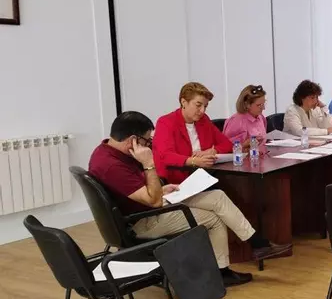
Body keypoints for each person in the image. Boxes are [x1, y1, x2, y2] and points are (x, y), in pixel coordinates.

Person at [90, 112, 287, 287]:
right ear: (133, 140)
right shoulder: (112, 166)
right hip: (143, 221)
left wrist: (161, 189)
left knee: (217, 196)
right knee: (214, 219)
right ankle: (222, 272)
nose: (149, 145)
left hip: (146, 205)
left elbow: (140, 190)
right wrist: (149, 163)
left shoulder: (105, 151)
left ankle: (256, 243)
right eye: (147, 141)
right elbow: (154, 201)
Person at [153, 82, 233, 185]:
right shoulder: (165, 122)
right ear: (184, 102)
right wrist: (194, 161)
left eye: (205, 106)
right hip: (177, 180)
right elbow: (165, 156)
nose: (202, 111)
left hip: (204, 175)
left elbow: (227, 144)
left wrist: (213, 151)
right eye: (198, 105)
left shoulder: (204, 120)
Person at [223, 84, 268, 154]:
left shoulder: (260, 117)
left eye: (263, 104)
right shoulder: (236, 121)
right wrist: (245, 144)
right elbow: (226, 148)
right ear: (247, 104)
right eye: (259, 105)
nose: (263, 108)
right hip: (244, 159)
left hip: (261, 157)